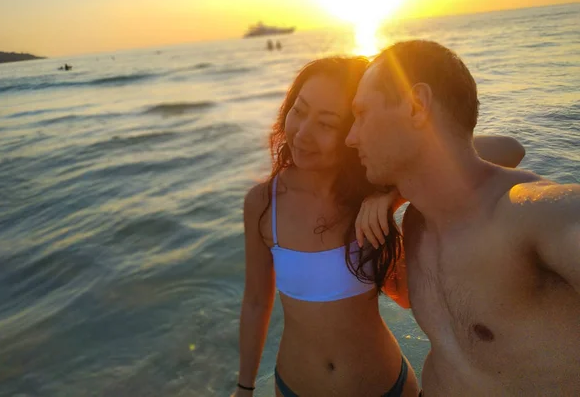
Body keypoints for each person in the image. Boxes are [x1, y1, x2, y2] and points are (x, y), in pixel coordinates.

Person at [234, 56, 526, 397]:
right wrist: (245, 387)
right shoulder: (262, 203)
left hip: (387, 386)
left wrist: (393, 194)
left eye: (326, 124)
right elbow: (256, 302)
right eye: (299, 110)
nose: (302, 132)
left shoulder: (370, 188)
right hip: (295, 386)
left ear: (353, 133)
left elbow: (509, 150)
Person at [346, 40, 580, 396]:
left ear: (415, 106)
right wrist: (393, 192)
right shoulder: (417, 224)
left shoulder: (531, 215)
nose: (350, 137)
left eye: (361, 114)